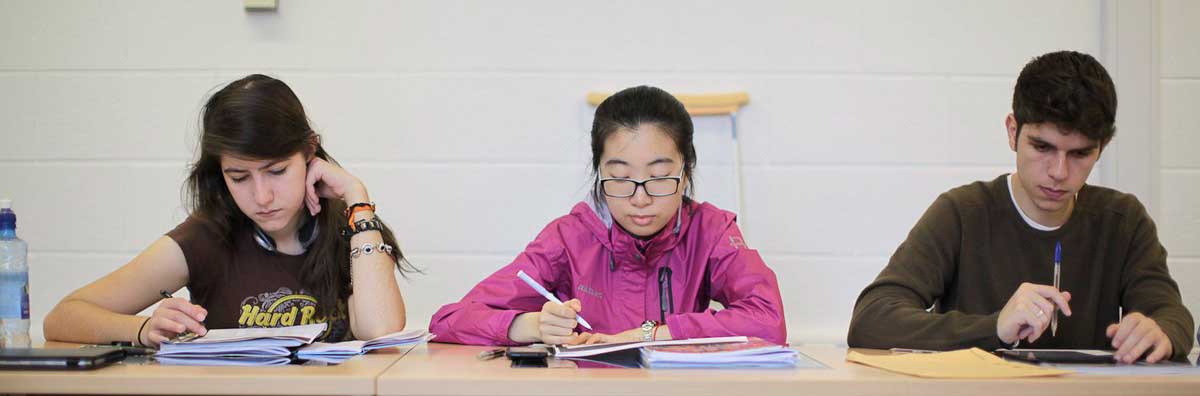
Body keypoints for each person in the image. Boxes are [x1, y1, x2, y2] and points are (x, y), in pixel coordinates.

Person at [847, 51, 1194, 363]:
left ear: (1101, 148)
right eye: (1042, 147)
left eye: (1080, 154)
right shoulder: (962, 213)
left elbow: (1172, 316)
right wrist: (995, 327)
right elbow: (873, 319)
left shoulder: (1123, 221)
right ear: (1013, 132)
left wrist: (1159, 330)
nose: (1059, 173)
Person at [44, 74, 415, 347]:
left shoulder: (349, 227)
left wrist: (357, 197)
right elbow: (64, 317)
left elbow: (381, 329)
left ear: (309, 153)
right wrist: (142, 330)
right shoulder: (205, 237)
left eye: (277, 171)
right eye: (239, 177)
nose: (262, 196)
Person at [429, 85, 786, 346]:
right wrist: (531, 325)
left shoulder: (711, 230)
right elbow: (448, 320)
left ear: (686, 172)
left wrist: (652, 335)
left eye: (660, 177)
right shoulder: (568, 238)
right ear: (599, 173)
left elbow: (769, 321)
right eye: (620, 178)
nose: (640, 198)